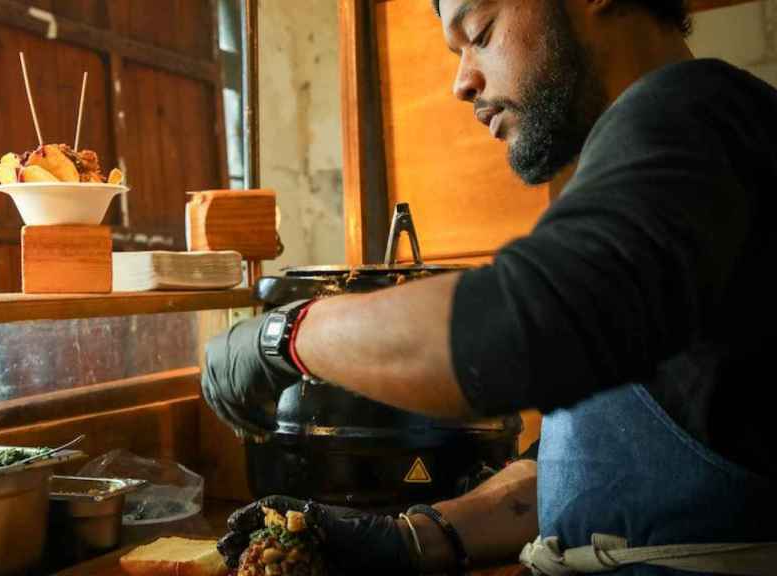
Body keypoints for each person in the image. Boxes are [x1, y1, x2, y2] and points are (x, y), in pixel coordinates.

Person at [201, 0, 777, 574]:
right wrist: (413, 537)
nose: (461, 81)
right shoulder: (666, 175)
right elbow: (592, 467)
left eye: (479, 32)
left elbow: (512, 330)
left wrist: (288, 335)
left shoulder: (693, 110)